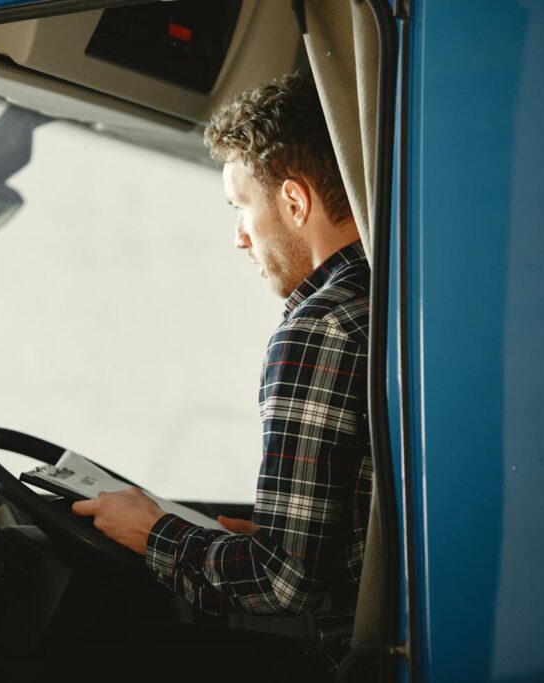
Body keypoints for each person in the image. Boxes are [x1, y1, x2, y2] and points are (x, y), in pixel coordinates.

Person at [73, 71, 372, 678]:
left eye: (242, 207)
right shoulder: (393, 297)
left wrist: (151, 531)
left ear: (294, 201)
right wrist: (272, 532)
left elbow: (282, 584)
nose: (239, 238)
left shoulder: (320, 327)